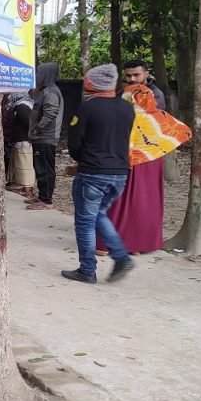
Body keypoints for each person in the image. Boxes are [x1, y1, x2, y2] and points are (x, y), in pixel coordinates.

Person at [62, 64, 137, 284]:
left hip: (92, 173)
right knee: (99, 214)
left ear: (92, 83)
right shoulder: (127, 108)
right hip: (120, 174)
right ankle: (121, 257)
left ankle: (87, 270)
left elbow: (74, 143)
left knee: (85, 222)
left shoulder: (87, 108)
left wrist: (81, 161)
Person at [97, 84, 191, 255]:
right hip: (152, 162)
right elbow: (180, 131)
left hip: (126, 163)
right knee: (145, 201)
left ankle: (108, 243)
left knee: (119, 202)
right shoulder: (160, 117)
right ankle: (138, 244)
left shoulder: (123, 117)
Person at [27, 62, 64, 210]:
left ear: (47, 75)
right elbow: (31, 95)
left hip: (45, 137)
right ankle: (42, 196)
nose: (37, 76)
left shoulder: (51, 92)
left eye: (39, 73)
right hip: (40, 137)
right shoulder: (43, 91)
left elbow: (50, 114)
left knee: (45, 169)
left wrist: (38, 128)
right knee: (40, 167)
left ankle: (47, 200)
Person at [5, 91, 35, 196]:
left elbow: (29, 123)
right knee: (18, 162)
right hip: (21, 138)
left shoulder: (21, 106)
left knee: (24, 163)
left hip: (23, 139)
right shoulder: (23, 105)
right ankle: (20, 184)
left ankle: (26, 187)